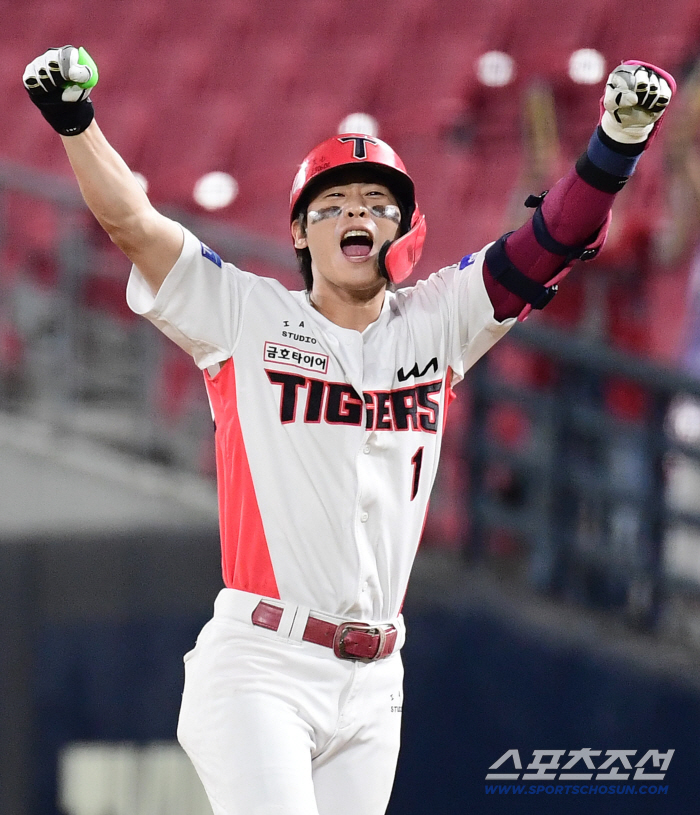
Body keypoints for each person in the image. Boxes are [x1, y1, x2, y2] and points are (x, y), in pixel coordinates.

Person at [23, 45, 674, 815]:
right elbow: (133, 224)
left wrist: (615, 145)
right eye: (330, 205)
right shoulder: (245, 315)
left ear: (405, 227)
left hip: (375, 681)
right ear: (300, 234)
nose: (354, 214)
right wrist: (75, 121)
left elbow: (552, 241)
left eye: (375, 202)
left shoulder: (440, 319)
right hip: (262, 665)